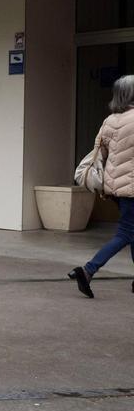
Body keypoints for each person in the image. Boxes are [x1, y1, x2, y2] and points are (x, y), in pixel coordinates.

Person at [70, 75, 134, 298]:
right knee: (126, 233)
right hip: (132, 187)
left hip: (116, 187)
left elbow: (101, 153)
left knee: (131, 230)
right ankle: (88, 270)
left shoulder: (110, 121)